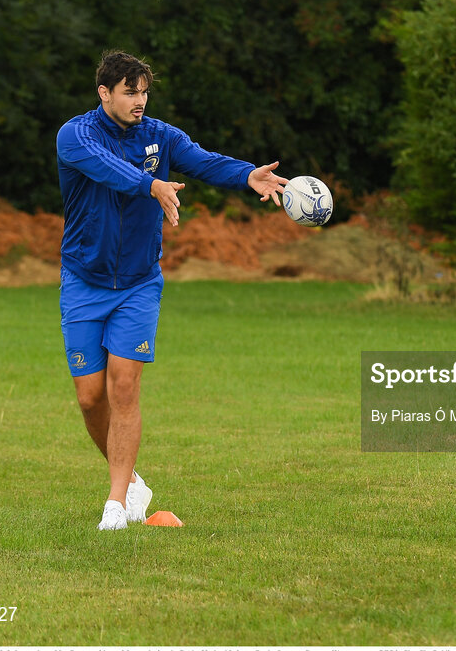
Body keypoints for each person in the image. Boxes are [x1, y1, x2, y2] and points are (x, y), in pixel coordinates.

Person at [56, 50, 287, 531]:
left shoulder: (161, 136)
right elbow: (104, 168)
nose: (140, 101)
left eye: (144, 92)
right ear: (104, 93)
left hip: (139, 283)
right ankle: (134, 481)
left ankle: (116, 505)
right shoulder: (74, 135)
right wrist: (152, 185)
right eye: (129, 92)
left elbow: (204, 161)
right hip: (83, 281)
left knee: (124, 384)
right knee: (89, 399)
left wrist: (246, 175)